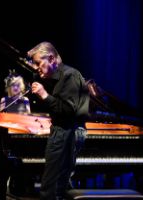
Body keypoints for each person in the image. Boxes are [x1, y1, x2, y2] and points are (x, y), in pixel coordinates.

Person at [27, 41, 90, 199]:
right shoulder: (61, 77)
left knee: (51, 187)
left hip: (66, 131)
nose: (35, 68)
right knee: (56, 185)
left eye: (38, 63)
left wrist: (44, 96)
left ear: (51, 58)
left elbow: (68, 110)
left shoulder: (70, 75)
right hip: (63, 130)